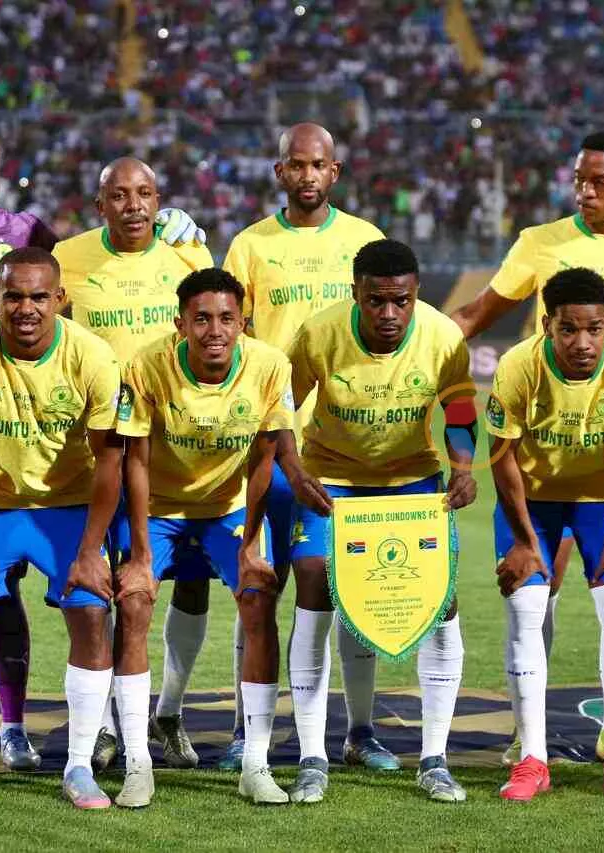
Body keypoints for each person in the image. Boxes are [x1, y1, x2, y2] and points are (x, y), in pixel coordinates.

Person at [0, 124, 205, 773]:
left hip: (36, 424)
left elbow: (96, 256)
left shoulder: (26, 230)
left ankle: (15, 727)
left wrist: (177, 229)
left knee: (17, 586)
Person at [451, 131, 604, 770]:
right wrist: (425, 347)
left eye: (598, 181)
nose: (584, 190)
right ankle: (527, 732)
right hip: (546, 443)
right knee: (541, 584)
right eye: (579, 179)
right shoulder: (541, 242)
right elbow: (481, 311)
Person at [0, 248, 134, 811]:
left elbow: (109, 460)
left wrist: (91, 550)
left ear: (60, 299)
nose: (26, 308)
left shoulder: (93, 356)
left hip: (69, 506)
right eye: (13, 296)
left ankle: (80, 767)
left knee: (91, 613)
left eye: (39, 296)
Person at [281, 239, 476, 803]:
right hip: (332, 481)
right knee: (315, 583)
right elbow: (279, 410)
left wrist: (463, 467)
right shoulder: (319, 334)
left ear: (416, 295)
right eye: (376, 301)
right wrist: (294, 472)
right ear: (356, 294)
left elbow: (460, 411)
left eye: (401, 301)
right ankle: (313, 757)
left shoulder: (443, 336)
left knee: (440, 601)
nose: (389, 314)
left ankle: (434, 759)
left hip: (412, 483)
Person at [220, 122, 390, 772]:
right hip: (266, 445)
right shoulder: (250, 245)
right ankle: (248, 730)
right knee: (258, 590)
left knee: (352, 594)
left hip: (344, 452)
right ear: (280, 172)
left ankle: (360, 731)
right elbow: (229, 337)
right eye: (297, 164)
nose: (308, 175)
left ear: (334, 171)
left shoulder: (365, 241)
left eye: (318, 165)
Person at [52, 156, 213, 771]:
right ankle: (102, 726)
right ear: (100, 206)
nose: (133, 205)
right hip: (96, 449)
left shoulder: (188, 254)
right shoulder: (69, 257)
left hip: (177, 446)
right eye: (119, 195)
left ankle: (166, 712)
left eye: (145, 193)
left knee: (187, 581)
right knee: (104, 586)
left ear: (159, 199)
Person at [487, 268, 604, 803]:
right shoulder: (517, 367)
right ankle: (532, 758)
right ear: (547, 325)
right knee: (526, 607)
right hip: (534, 500)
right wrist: (525, 542)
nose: (582, 342)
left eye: (593, 328)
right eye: (568, 329)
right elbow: (502, 458)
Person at [116, 268, 294, 803]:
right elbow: (135, 459)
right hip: (159, 507)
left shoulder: (270, 366)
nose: (214, 331)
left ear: (243, 323)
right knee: (133, 601)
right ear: (180, 325)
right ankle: (137, 764)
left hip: (226, 508)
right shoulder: (146, 365)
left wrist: (251, 545)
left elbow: (264, 460)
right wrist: (141, 553)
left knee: (258, 599)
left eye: (226, 319)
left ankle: (256, 765)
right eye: (201, 319)